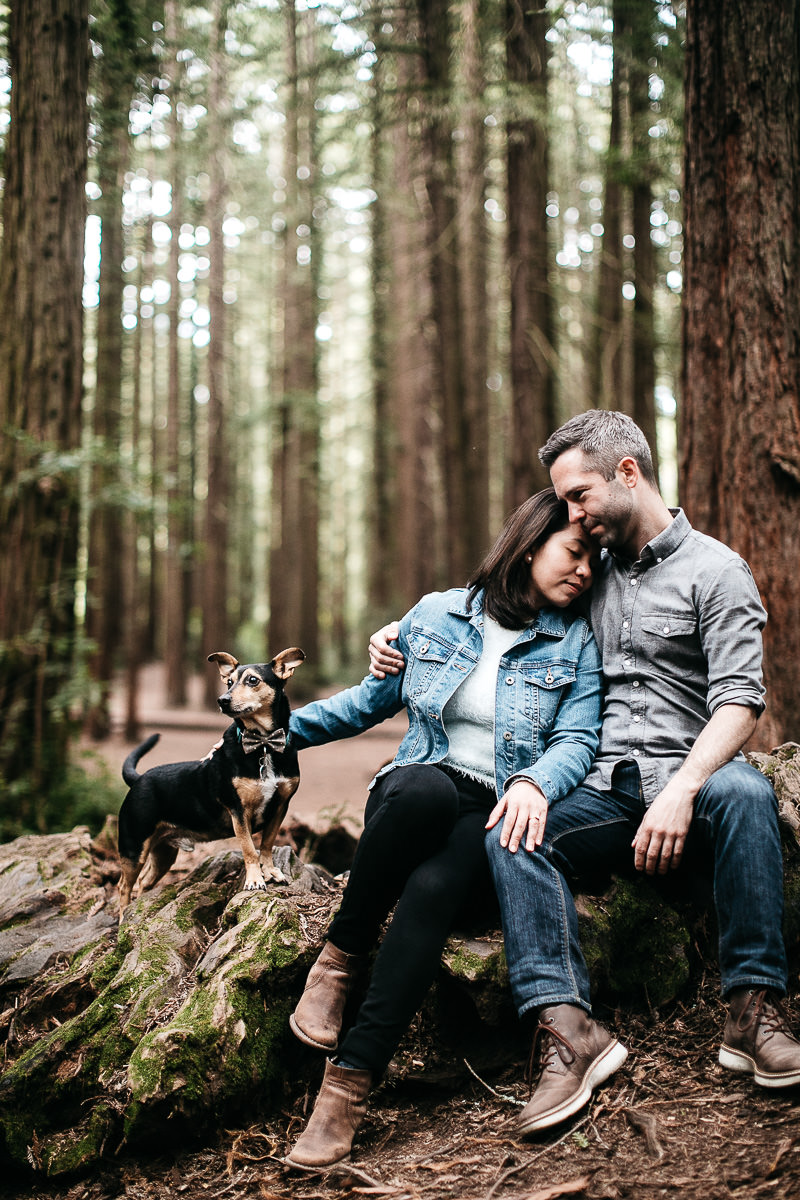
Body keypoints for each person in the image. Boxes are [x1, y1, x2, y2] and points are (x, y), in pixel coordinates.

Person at [371, 409, 800, 1139]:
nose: (570, 513)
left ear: (627, 473)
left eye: (578, 495)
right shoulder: (585, 570)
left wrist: (684, 788)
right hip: (599, 791)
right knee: (509, 827)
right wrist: (403, 633)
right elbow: (490, 603)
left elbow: (741, 701)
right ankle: (569, 1032)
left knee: (745, 789)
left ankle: (753, 1014)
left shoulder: (715, 569)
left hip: (692, 785)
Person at [282, 488, 615, 1170]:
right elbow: (365, 704)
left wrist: (534, 782)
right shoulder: (437, 614)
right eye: (574, 552)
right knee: (429, 790)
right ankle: (340, 957)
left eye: (593, 563)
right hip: (413, 798)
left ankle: (346, 1086)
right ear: (528, 545)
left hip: (492, 814)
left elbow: (578, 739)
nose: (584, 570)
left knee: (433, 892)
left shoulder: (574, 640)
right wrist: (269, 737)